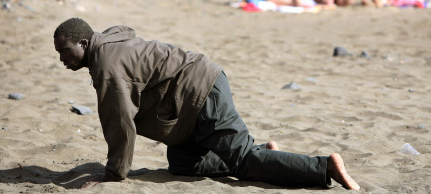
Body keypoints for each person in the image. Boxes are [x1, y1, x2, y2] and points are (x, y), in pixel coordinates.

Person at [53, 17, 360, 191]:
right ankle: (264, 155)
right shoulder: (108, 43)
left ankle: (325, 167)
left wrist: (112, 176)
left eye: (65, 51)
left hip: (200, 93)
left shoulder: (107, 67)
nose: (62, 60)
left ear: (83, 43)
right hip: (189, 103)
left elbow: (120, 125)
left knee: (243, 163)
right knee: (183, 164)